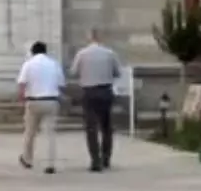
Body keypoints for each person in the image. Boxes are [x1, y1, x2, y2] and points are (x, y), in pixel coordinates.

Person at [70, 28, 124, 172]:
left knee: (91, 127)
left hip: (89, 91)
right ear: (101, 38)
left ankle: (95, 160)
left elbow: (73, 71)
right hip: (106, 90)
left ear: (89, 37)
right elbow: (118, 72)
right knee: (106, 126)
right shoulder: (110, 53)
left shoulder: (81, 54)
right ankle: (106, 158)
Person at [17, 41, 66, 175]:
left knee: (30, 132)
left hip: (33, 100)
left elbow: (22, 84)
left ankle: (27, 159)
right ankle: (50, 163)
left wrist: (21, 99)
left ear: (32, 51)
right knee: (50, 133)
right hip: (51, 100)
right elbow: (61, 84)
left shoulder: (28, 64)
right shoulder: (54, 64)